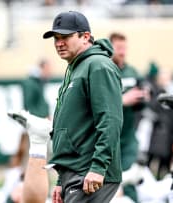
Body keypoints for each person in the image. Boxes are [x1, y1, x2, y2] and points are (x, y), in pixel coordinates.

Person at [43, 11, 123, 203]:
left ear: (85, 36)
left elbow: (110, 120)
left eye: (66, 37)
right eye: (56, 38)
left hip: (89, 172)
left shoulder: (98, 65)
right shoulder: (76, 67)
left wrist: (98, 167)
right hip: (77, 171)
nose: (59, 43)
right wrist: (62, 178)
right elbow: (73, 126)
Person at [109, 32, 148, 203]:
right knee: (110, 183)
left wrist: (144, 97)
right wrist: (122, 100)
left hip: (128, 137)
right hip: (107, 137)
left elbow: (142, 101)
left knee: (131, 178)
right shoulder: (102, 71)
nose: (122, 52)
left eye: (124, 48)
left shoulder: (132, 72)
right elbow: (94, 102)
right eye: (118, 48)